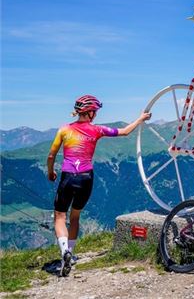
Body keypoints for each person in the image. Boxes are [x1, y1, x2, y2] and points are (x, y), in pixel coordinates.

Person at [47, 95, 151, 276]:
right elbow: (125, 131)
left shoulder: (64, 130)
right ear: (90, 113)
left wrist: (50, 172)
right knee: (76, 216)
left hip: (68, 177)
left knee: (60, 216)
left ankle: (64, 252)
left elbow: (51, 155)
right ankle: (71, 253)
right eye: (95, 111)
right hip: (86, 177)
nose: (96, 114)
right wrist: (141, 118)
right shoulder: (97, 130)